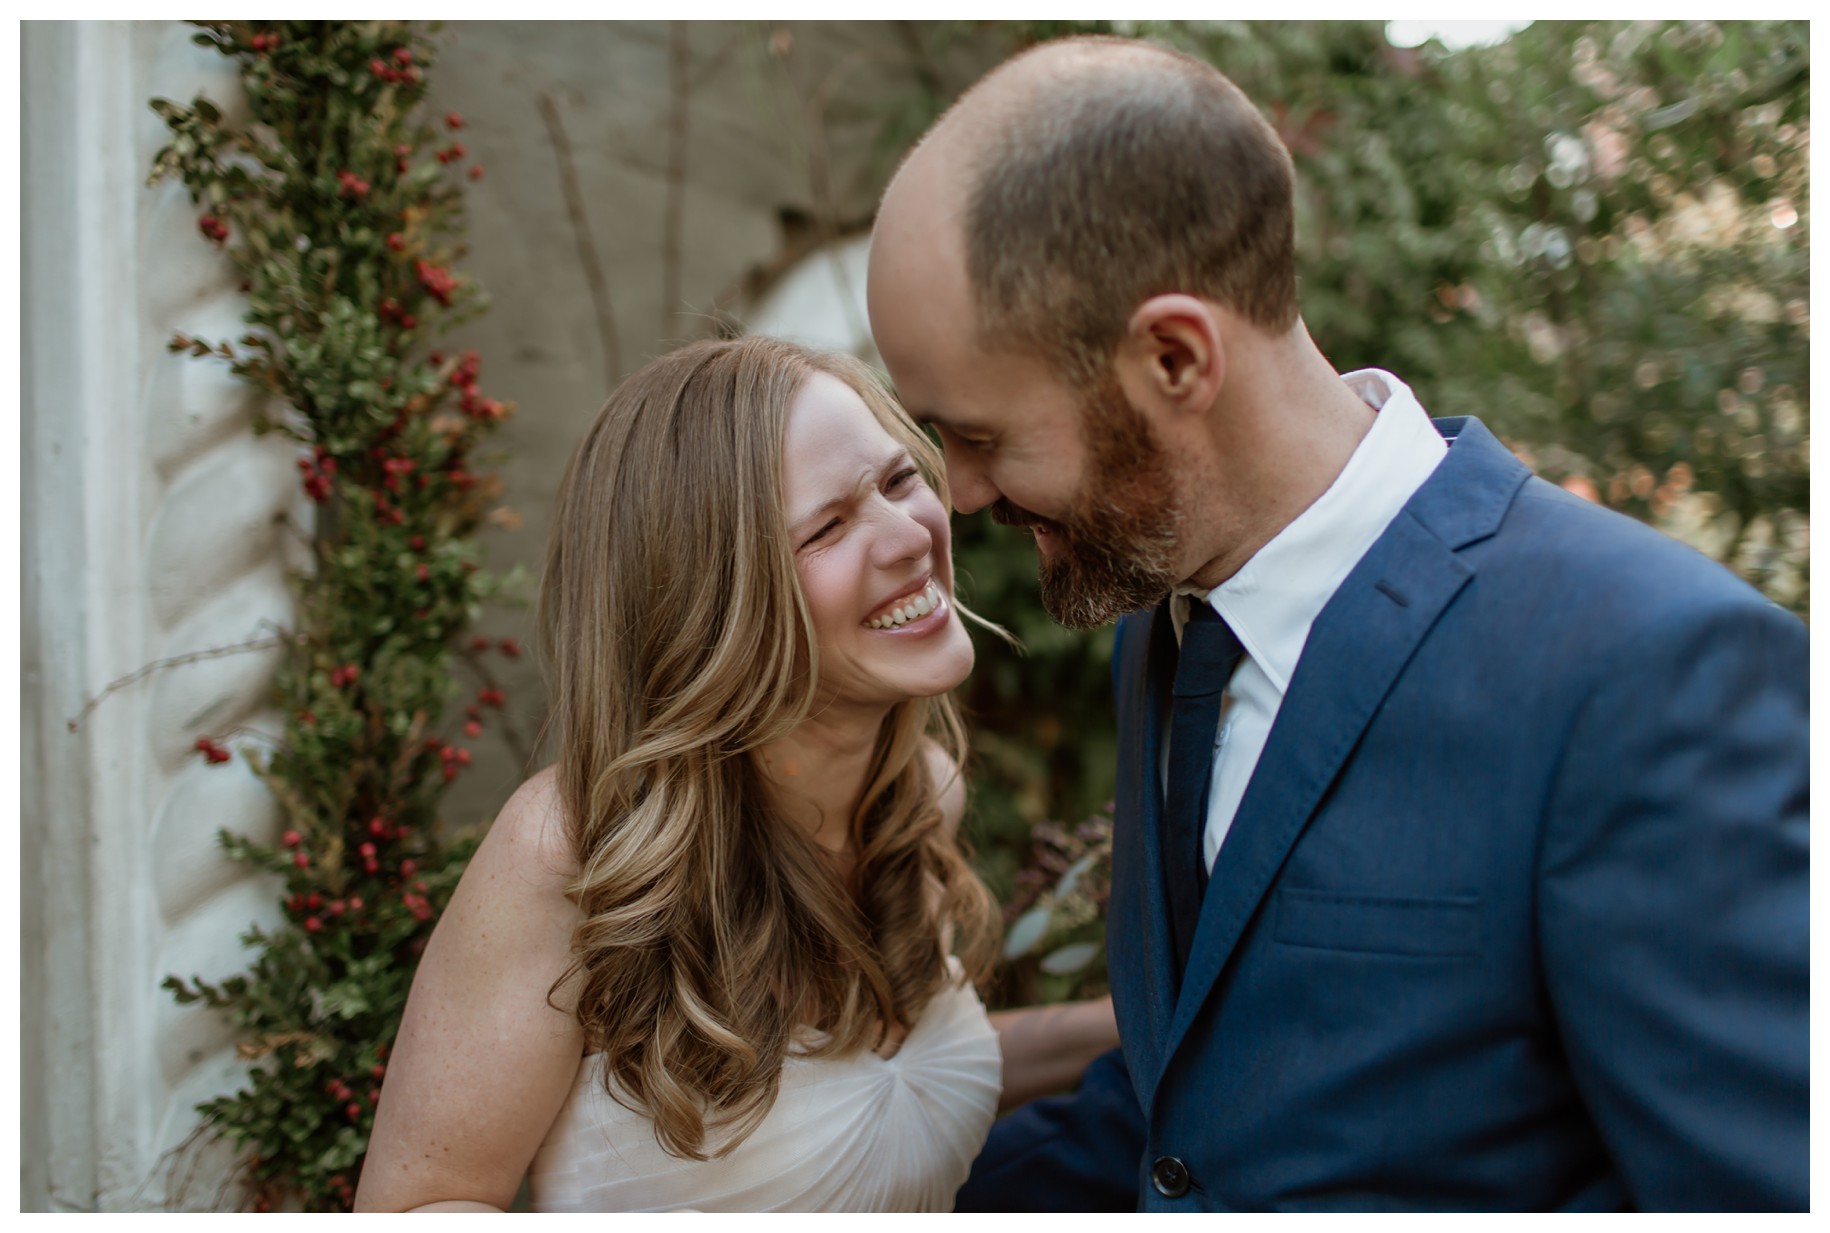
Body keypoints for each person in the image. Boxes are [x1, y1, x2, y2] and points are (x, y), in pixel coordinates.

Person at [866, 35, 1809, 1212]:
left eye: (982, 435)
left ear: (1174, 357)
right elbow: (1194, 1116)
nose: (959, 492)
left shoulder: (1650, 667)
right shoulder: (1161, 624)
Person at [353, 337, 1118, 1213]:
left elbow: (877, 1081)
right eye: (828, 527)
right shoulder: (573, 854)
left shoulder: (916, 794)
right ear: (711, 601)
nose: (911, 535)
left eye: (902, 480)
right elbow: (419, 1206)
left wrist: (1151, 1026)